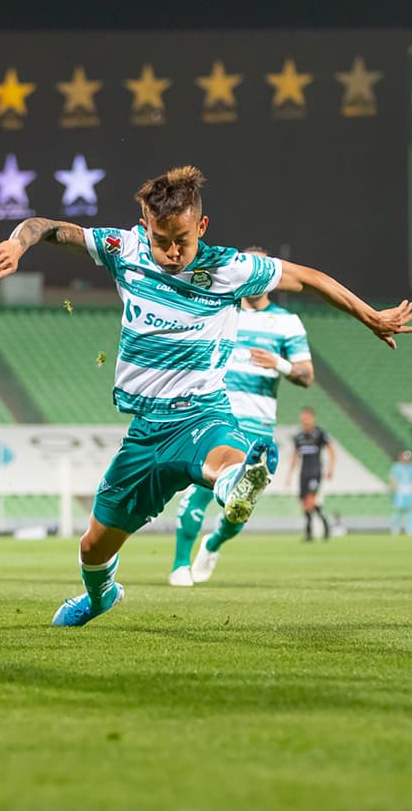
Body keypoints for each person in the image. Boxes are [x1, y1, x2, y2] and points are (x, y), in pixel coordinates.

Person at [0, 165, 412, 626]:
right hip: (146, 431)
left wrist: (369, 315)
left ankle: (240, 483)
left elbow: (306, 277)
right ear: (145, 226)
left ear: (201, 227)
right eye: (160, 240)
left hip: (201, 413)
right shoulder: (124, 248)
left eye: (181, 241)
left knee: (227, 461)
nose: (170, 253)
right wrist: (16, 243)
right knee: (92, 546)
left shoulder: (229, 268)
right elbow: (51, 228)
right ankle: (101, 595)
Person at [173, 248, 314, 586]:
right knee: (199, 492)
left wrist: (278, 364)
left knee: (242, 503)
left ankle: (214, 543)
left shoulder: (286, 322)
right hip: (217, 416)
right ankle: (179, 564)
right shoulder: (221, 310)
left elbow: (307, 375)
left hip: (259, 423)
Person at [287, 407, 336, 541]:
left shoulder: (319, 433)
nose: (305, 420)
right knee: (305, 503)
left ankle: (309, 533)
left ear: (312, 418)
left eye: (307, 417)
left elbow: (331, 450)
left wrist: (331, 468)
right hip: (303, 472)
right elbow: (295, 456)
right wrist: (289, 475)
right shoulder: (299, 436)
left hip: (315, 472)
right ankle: (325, 526)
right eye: (303, 417)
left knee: (310, 501)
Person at [389, 449, 412, 535]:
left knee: (411, 511)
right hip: (400, 491)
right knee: (398, 511)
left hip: (410, 491)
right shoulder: (396, 467)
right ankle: (395, 529)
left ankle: (410, 530)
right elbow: (393, 480)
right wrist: (393, 491)